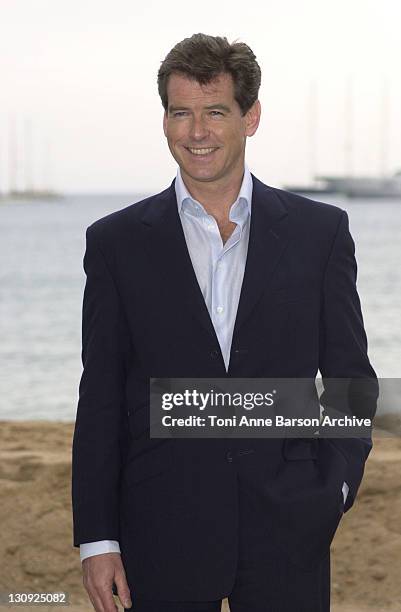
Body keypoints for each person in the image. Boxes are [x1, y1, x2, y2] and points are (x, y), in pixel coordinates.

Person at [72, 33, 378, 612]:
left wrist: (334, 488)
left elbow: (352, 381)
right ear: (164, 120)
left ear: (251, 117)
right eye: (180, 113)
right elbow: (102, 397)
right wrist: (97, 538)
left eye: (215, 111)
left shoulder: (321, 234)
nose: (196, 132)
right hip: (158, 528)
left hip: (290, 527)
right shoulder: (115, 243)